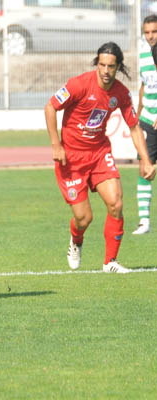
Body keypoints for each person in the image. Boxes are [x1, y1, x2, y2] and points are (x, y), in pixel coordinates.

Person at [44, 42, 156, 273]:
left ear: (118, 67)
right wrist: (56, 145)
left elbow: (134, 128)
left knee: (116, 202)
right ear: (97, 64)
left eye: (111, 66)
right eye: (102, 65)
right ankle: (76, 240)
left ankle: (110, 262)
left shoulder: (121, 94)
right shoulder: (79, 84)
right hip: (71, 159)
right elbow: (50, 107)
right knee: (84, 218)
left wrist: (145, 159)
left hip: (99, 154)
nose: (106, 71)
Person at [133, 14, 157, 234]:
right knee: (145, 169)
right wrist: (138, 114)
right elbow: (144, 85)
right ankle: (144, 222)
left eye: (154, 32)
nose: (150, 36)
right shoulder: (143, 55)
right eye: (147, 32)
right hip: (148, 120)